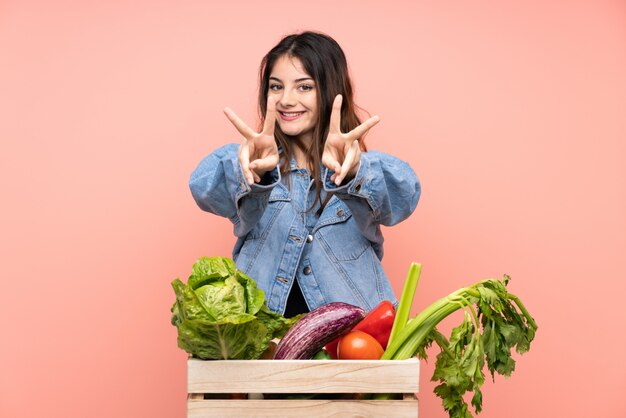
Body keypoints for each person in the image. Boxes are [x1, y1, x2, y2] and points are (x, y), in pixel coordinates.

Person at [189, 31, 420, 317]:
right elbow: (203, 185)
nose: (286, 100)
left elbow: (405, 195)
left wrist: (355, 171)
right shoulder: (255, 164)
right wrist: (253, 171)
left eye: (304, 87)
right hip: (264, 346)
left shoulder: (359, 171)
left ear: (330, 90)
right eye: (276, 87)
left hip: (353, 343)